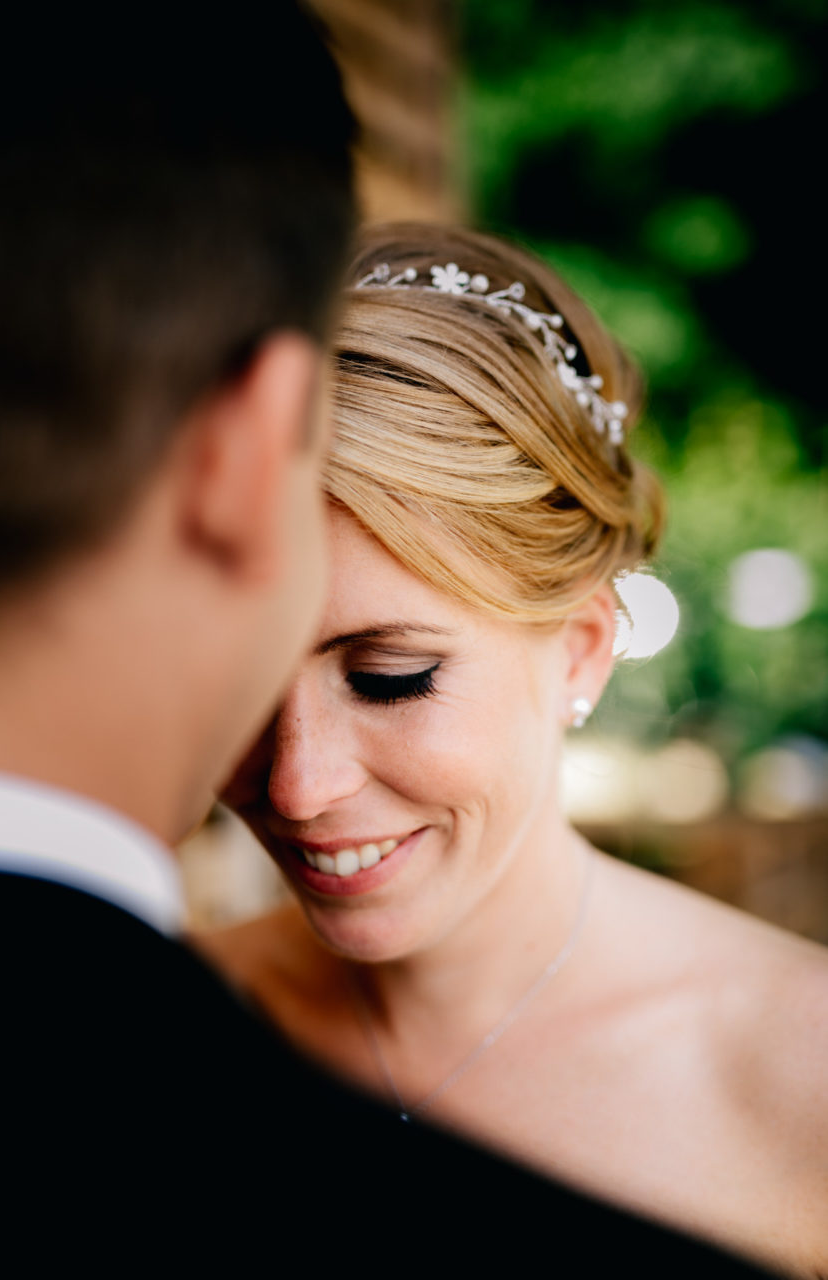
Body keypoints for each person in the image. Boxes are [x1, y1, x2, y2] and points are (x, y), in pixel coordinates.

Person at [203, 223, 828, 1277]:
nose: (298, 783)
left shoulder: (797, 1077)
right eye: (229, 681)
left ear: (581, 649)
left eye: (391, 675)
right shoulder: (150, 1022)